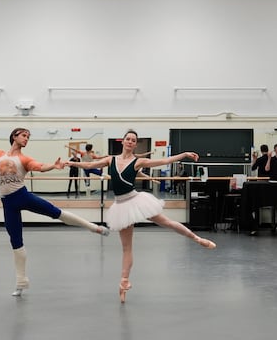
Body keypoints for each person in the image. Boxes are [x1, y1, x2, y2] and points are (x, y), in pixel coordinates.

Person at [0, 128, 110, 297]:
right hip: (8, 204)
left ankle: (93, 227)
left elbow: (39, 166)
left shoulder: (24, 159)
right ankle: (21, 282)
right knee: (16, 242)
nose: (26, 139)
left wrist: (53, 166)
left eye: (28, 137)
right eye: (24, 136)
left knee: (56, 213)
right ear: (14, 136)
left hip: (23, 196)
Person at [65, 129, 216, 303]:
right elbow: (90, 166)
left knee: (166, 222)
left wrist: (184, 154)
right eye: (127, 139)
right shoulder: (110, 160)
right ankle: (123, 284)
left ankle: (197, 239)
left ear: (135, 144)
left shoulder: (138, 162)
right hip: (121, 206)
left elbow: (164, 160)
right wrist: (72, 164)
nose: (130, 141)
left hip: (136, 200)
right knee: (126, 248)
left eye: (133, 140)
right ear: (122, 142)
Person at [248, 144, 271, 235]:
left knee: (257, 204)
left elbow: (253, 168)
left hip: (261, 182)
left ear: (261, 151)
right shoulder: (271, 159)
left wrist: (254, 159)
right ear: (268, 150)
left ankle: (255, 225)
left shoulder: (260, 159)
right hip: (270, 182)